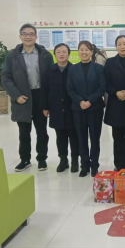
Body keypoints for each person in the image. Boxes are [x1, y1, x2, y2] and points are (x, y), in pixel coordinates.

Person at [2, 24, 54, 171]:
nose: (28, 36)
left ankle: (42, 159)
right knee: (24, 132)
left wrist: (48, 102)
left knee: (42, 132)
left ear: (36, 37)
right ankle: (25, 159)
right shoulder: (12, 55)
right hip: (22, 97)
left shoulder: (45, 55)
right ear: (20, 36)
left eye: (31, 34)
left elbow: (51, 78)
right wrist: (16, 95)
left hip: (40, 97)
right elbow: (6, 77)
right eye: (25, 34)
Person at [67, 40, 106, 177]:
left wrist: (89, 101)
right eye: (81, 49)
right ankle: (84, 165)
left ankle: (94, 165)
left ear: (91, 52)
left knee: (95, 138)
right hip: (78, 109)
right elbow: (70, 89)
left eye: (87, 50)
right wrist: (80, 101)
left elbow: (102, 87)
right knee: (81, 138)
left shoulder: (98, 68)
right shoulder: (73, 69)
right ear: (78, 51)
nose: (84, 52)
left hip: (95, 108)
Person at [41, 43, 80, 173]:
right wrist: (45, 107)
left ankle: (75, 160)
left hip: (72, 108)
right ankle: (63, 160)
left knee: (74, 136)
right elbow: (45, 91)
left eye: (64, 52)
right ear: (55, 54)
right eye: (58, 52)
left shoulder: (74, 69)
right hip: (56, 108)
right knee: (60, 136)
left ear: (69, 54)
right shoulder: (49, 72)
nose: (61, 54)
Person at [104, 35, 125, 170]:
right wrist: (116, 92)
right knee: (117, 138)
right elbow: (105, 82)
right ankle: (118, 165)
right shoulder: (110, 62)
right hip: (115, 106)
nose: (122, 46)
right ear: (116, 47)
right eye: (119, 44)